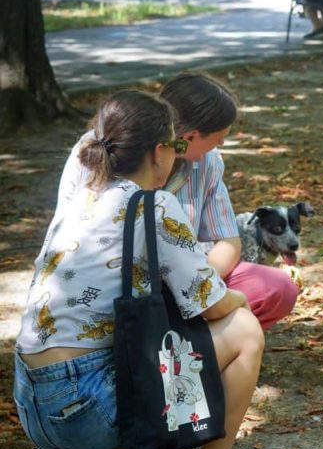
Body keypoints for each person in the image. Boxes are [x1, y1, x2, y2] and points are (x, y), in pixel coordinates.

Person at [14, 90, 271, 449]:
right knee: (243, 329)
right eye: (174, 147)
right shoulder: (152, 205)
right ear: (158, 152)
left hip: (32, 404)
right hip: (88, 414)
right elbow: (211, 304)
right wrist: (241, 296)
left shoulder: (82, 197)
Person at [58, 72, 299, 330]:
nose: (221, 143)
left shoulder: (208, 162)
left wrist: (193, 286)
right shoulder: (106, 148)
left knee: (276, 288)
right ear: (189, 137)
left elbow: (229, 240)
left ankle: (195, 351)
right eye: (218, 137)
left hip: (192, 279)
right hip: (116, 288)